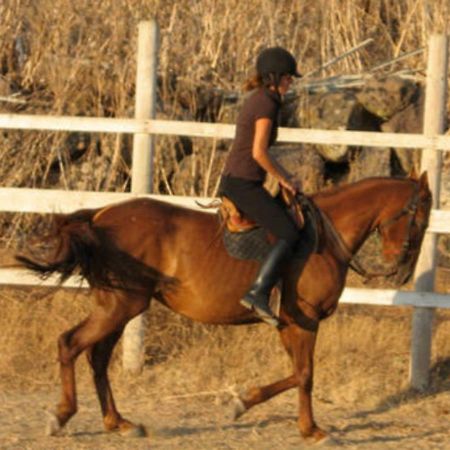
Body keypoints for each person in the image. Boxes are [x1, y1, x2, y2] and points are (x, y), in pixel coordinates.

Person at [219, 46, 303, 327]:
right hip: (243, 184)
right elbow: (259, 153)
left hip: (241, 180)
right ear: (275, 76)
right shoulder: (267, 103)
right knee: (289, 232)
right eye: (288, 77)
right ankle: (258, 292)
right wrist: (286, 179)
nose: (291, 82)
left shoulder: (260, 99)